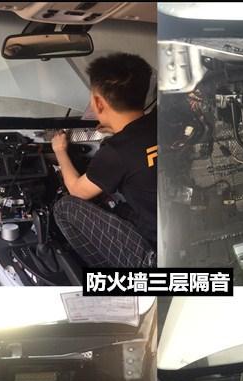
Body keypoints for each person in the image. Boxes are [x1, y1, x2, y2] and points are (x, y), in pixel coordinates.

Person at [51, 52, 157, 268]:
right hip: (176, 234)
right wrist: (117, 130)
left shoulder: (116, 151)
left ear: (98, 103)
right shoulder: (159, 121)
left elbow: (77, 191)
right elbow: (138, 144)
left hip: (155, 258)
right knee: (117, 208)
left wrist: (60, 150)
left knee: (65, 208)